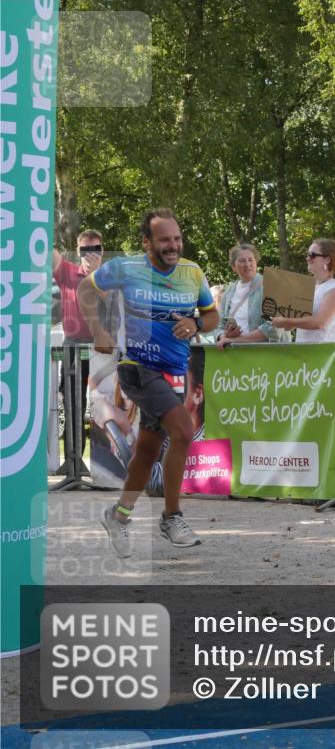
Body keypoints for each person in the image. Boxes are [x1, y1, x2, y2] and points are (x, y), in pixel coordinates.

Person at [78, 208, 218, 557]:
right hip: (137, 367)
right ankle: (172, 517)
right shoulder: (125, 268)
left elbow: (211, 315)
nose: (173, 246)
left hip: (173, 373)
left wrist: (196, 325)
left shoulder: (192, 273)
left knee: (146, 452)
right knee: (184, 432)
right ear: (147, 242)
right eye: (165, 240)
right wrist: (98, 329)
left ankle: (119, 515)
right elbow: (85, 289)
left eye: (177, 239)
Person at [214, 243, 290, 349]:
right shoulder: (228, 293)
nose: (247, 264)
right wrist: (224, 335)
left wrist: (235, 340)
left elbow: (273, 328)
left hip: (268, 355)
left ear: (256, 262)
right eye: (242, 261)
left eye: (251, 260)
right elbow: (218, 327)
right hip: (236, 355)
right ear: (233, 267)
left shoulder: (271, 286)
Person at [272, 238, 335, 342]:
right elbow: (298, 321)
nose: (308, 258)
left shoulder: (334, 289)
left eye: (312, 255)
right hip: (305, 352)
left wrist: (286, 321)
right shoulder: (311, 287)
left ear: (327, 260)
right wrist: (284, 320)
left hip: (324, 354)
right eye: (307, 255)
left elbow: (319, 323)